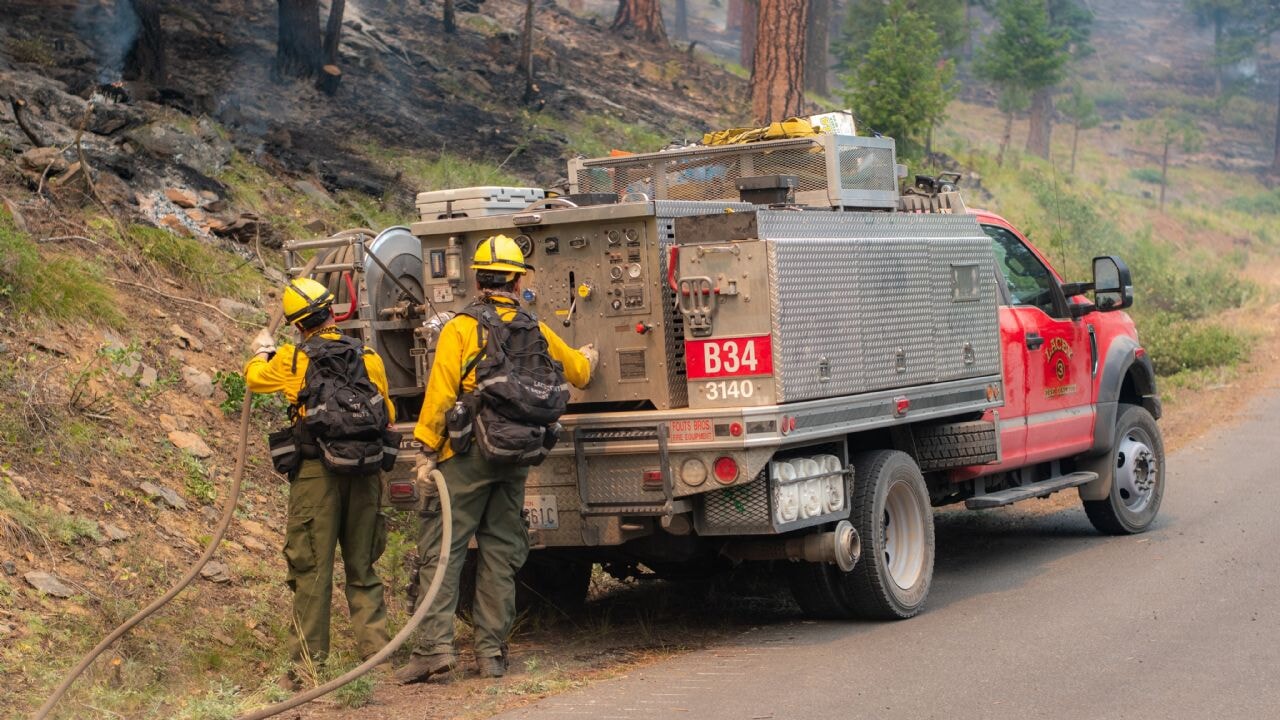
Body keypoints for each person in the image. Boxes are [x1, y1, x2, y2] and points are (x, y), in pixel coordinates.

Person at [397, 235, 596, 683]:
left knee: (442, 553)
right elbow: (579, 372)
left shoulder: (461, 329)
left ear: (478, 277)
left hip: (463, 456)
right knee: (500, 552)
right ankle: (491, 655)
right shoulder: (534, 328)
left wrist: (427, 450)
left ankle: (434, 650)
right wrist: (589, 356)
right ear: (518, 277)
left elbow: (441, 393)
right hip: (514, 456)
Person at [243, 277, 394, 685]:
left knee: (312, 569)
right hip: (365, 472)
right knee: (362, 566)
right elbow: (388, 412)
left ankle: (309, 668)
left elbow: (255, 378)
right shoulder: (368, 356)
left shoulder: (294, 359)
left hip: (316, 476)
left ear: (297, 326)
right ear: (333, 312)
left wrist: (260, 350)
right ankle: (378, 658)